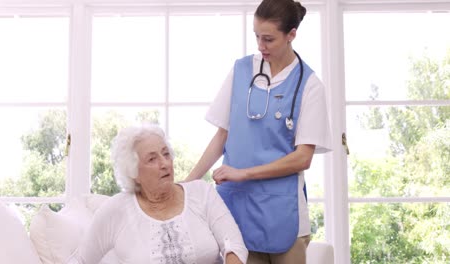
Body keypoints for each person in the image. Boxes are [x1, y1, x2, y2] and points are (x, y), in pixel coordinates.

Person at [185, 0, 332, 263]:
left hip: (283, 214)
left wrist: (243, 174)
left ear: (291, 35)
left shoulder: (309, 86)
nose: (260, 46)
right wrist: (189, 183)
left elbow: (303, 158)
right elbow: (223, 135)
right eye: (256, 36)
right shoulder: (241, 70)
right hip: (236, 208)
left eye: (268, 39)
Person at [68, 124, 248, 264]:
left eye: (166, 154)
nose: (165, 164)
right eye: (152, 159)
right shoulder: (116, 210)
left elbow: (234, 246)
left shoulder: (202, 193)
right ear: (134, 172)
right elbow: (81, 260)